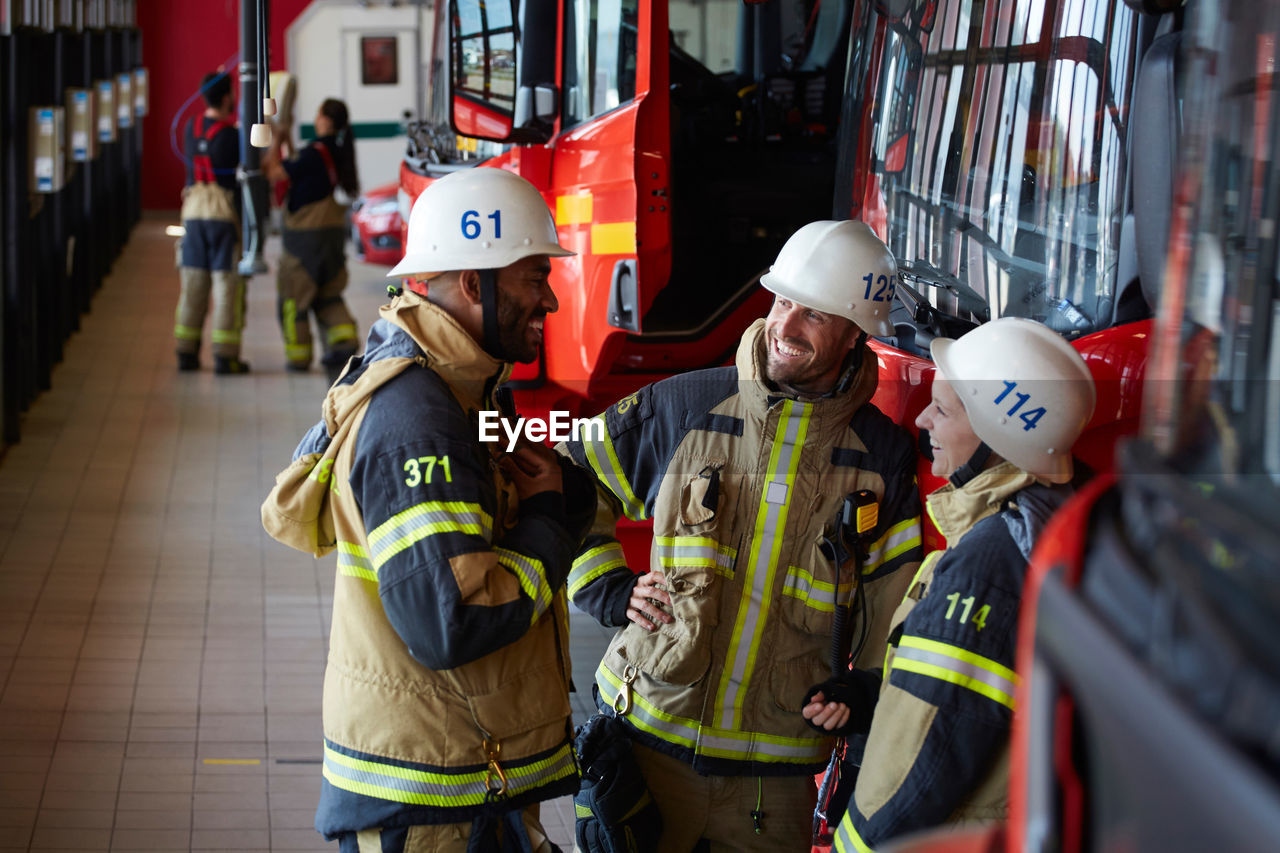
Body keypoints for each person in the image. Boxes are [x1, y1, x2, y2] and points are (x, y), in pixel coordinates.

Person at [559, 220, 925, 851]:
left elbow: (896, 600)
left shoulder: (883, 457)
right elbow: (570, 477)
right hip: (649, 749)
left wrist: (864, 686)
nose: (785, 327)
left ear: (854, 332)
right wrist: (606, 587)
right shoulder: (686, 406)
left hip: (774, 785)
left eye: (813, 314)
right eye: (783, 302)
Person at [260, 167, 596, 852]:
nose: (551, 301)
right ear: (475, 284)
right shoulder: (421, 418)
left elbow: (536, 476)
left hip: (460, 764)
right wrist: (548, 523)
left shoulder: (465, 389)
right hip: (430, 791)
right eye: (536, 278)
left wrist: (561, 491)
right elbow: (451, 623)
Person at [810, 317, 1096, 852]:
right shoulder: (1049, 519)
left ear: (999, 437)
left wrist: (853, 846)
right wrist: (877, 694)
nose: (922, 420)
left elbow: (933, 752)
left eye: (941, 410)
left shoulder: (989, 561)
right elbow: (967, 698)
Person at [263, 97, 361, 383]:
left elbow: (272, 172)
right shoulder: (337, 150)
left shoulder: (313, 153)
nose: (316, 119)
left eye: (318, 115)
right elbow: (300, 168)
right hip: (331, 238)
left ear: (326, 120)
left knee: (294, 300)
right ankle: (345, 343)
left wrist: (279, 136)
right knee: (327, 295)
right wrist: (289, 141)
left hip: (305, 241)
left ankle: (298, 358)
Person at [174, 70, 250, 375]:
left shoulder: (190, 128)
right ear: (227, 97)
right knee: (226, 287)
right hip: (222, 216)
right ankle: (225, 356)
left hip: (192, 214)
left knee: (192, 285)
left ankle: (185, 353)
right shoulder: (232, 136)